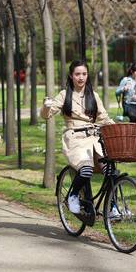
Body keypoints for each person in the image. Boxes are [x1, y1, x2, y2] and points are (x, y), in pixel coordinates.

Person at [41, 60, 114, 215]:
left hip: (94, 139)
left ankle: (113, 205)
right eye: (77, 74)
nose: (81, 77)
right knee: (86, 169)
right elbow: (47, 115)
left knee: (110, 171)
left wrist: (117, 127)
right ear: (71, 75)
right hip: (75, 138)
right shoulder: (64, 94)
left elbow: (104, 117)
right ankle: (73, 196)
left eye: (84, 74)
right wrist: (46, 106)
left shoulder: (93, 95)